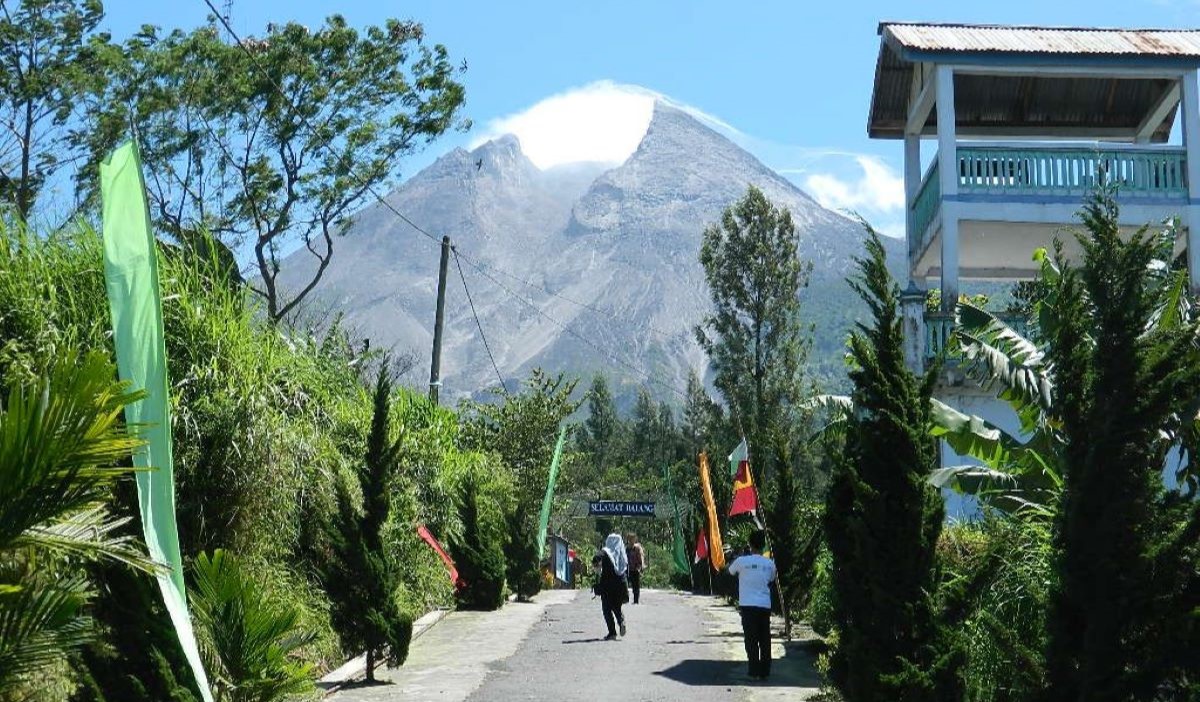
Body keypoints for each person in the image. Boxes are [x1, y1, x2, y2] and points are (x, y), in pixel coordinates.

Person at [727, 530, 776, 680]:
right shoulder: (769, 563)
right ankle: (765, 672)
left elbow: (730, 571)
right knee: (765, 639)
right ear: (763, 546)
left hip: (747, 605)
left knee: (751, 639)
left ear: (750, 544)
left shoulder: (742, 562)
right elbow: (771, 579)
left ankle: (753, 671)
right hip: (764, 605)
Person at [592, 534, 630, 640]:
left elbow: (596, 558)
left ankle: (612, 633)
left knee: (606, 609)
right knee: (617, 606)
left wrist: (597, 568)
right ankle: (621, 621)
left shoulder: (606, 552)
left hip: (607, 586)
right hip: (620, 585)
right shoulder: (622, 554)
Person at [626, 533, 647, 604]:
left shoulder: (637, 548)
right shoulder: (627, 548)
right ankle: (625, 599)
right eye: (630, 538)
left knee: (636, 586)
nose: (631, 540)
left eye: (633, 538)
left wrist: (642, 566)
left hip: (635, 569)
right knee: (625, 585)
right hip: (628, 569)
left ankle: (636, 601)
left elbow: (641, 557)